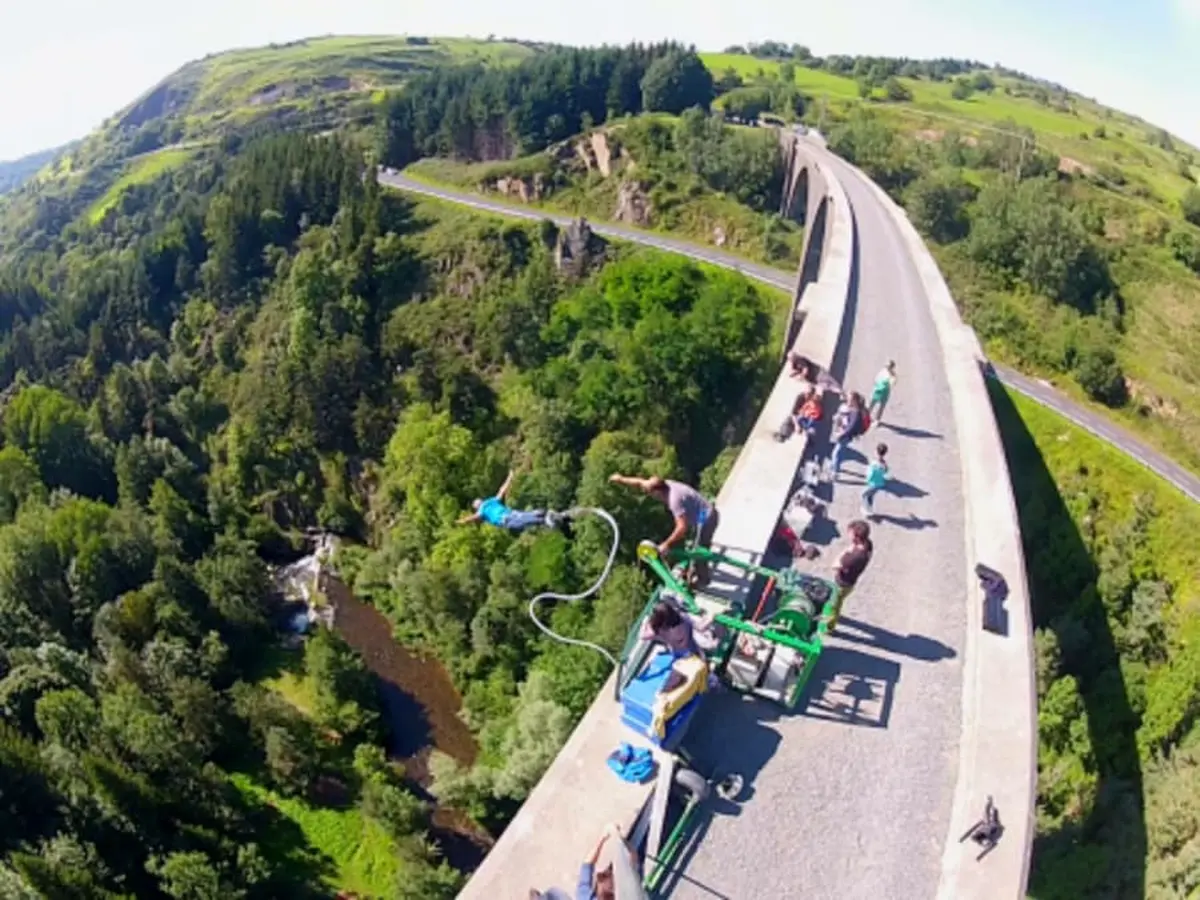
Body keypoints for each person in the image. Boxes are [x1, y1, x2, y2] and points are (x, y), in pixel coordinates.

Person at [608, 474, 720, 586]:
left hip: (707, 520)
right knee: (691, 546)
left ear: (657, 492)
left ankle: (703, 580)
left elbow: (682, 527)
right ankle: (693, 568)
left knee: (699, 553)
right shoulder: (665, 484)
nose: (649, 494)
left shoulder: (674, 500)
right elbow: (640, 482)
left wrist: (666, 544)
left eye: (650, 493)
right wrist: (621, 479)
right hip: (701, 515)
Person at [458, 470, 561, 533]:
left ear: (477, 506)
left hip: (506, 520)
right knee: (525, 517)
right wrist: (510, 477)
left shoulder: (482, 510)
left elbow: (474, 517)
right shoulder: (491, 501)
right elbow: (502, 490)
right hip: (511, 513)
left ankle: (545, 519)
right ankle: (543, 513)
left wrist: (462, 521)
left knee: (524, 522)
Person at [830, 519, 873, 631]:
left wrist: (844, 553)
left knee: (834, 605)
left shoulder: (853, 558)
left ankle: (829, 626)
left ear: (857, 538)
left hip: (842, 584)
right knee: (838, 601)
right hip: (851, 582)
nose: (848, 534)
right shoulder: (868, 545)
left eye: (850, 533)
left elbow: (835, 565)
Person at [828, 391, 865, 478]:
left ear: (854, 401)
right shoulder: (852, 409)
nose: (847, 401)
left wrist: (841, 434)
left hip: (845, 436)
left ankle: (835, 472)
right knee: (839, 452)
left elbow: (851, 427)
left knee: (836, 453)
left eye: (849, 399)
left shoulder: (856, 413)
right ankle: (834, 465)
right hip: (843, 434)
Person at [861, 443, 890, 517]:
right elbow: (886, 471)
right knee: (870, 496)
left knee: (864, 495)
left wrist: (867, 479)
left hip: (872, 483)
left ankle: (866, 510)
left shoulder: (874, 463)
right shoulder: (883, 463)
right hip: (879, 483)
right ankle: (870, 509)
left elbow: (871, 474)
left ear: (876, 451)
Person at [867, 361, 897, 425]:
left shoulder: (893, 375)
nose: (887, 367)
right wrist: (876, 385)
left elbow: (892, 384)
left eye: (889, 366)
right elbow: (876, 379)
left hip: (884, 392)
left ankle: (877, 420)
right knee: (871, 404)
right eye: (886, 366)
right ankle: (866, 417)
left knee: (881, 406)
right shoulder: (883, 371)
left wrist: (886, 384)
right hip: (877, 390)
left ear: (892, 367)